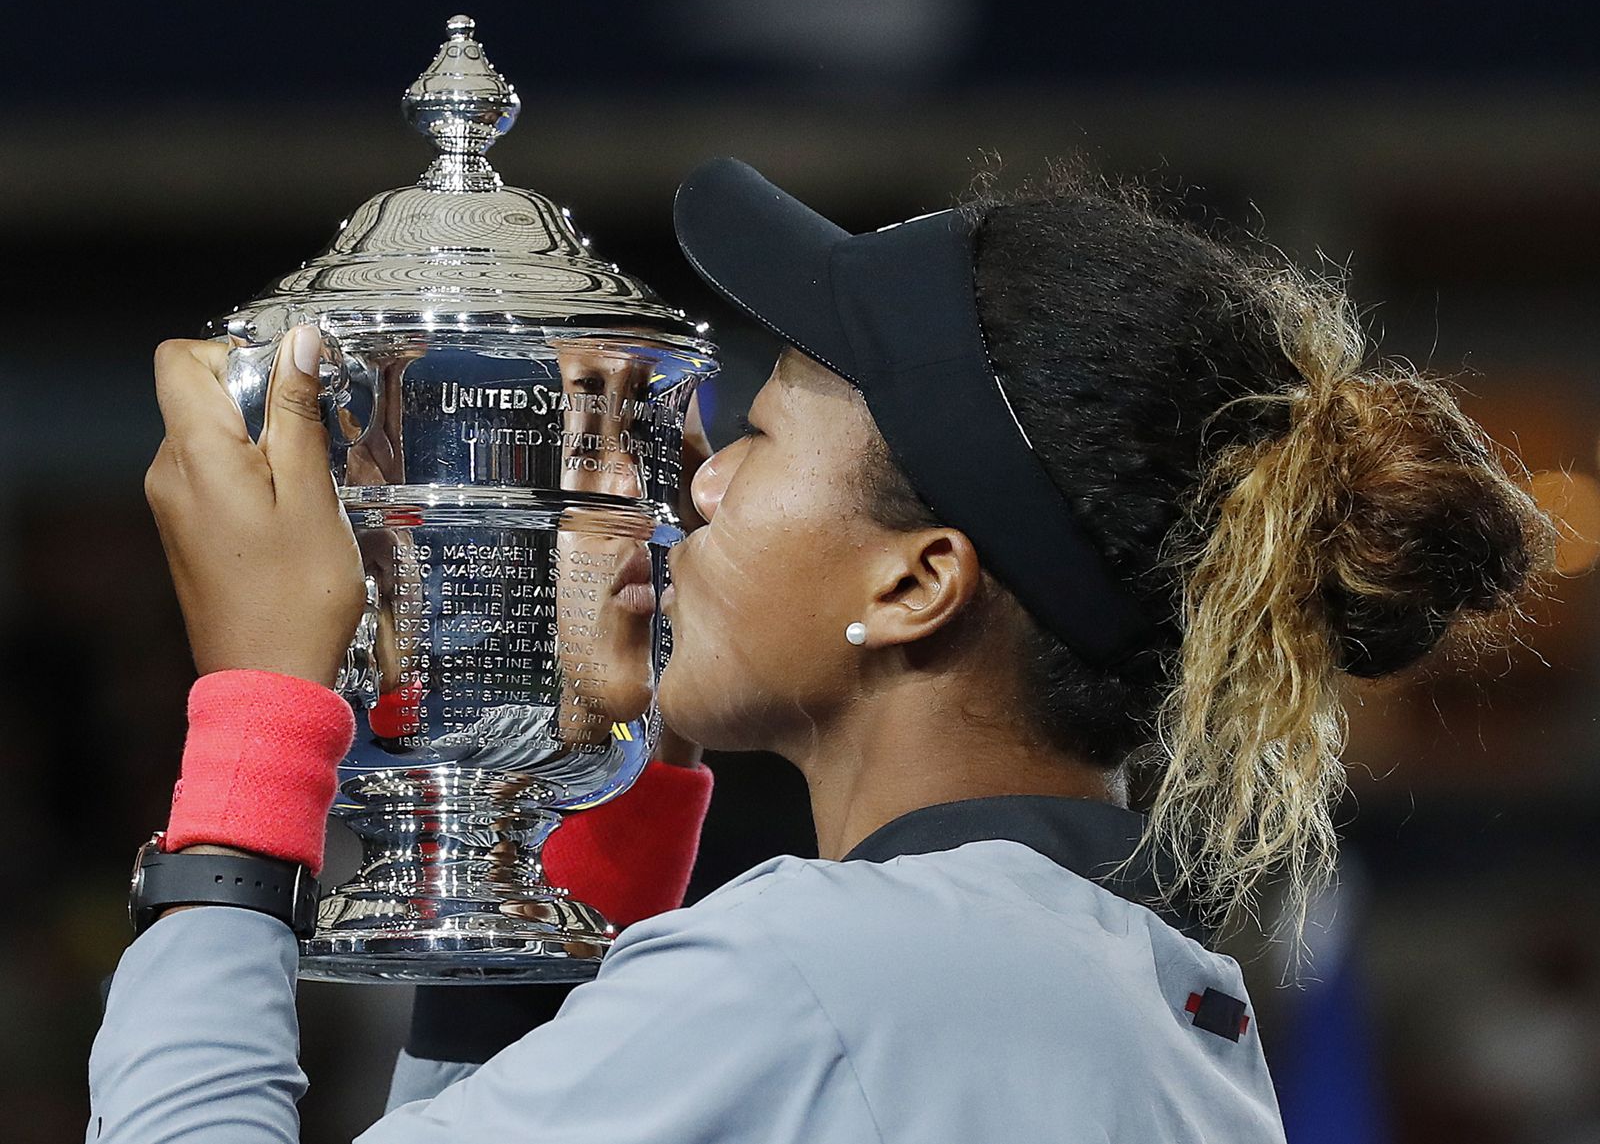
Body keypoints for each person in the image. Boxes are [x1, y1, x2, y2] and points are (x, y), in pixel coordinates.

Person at [89, 157, 1548, 1142]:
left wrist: (258, 712)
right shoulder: (1129, 989)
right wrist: (617, 789)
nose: (698, 483)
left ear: (919, 582)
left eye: (766, 433)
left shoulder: (830, 970)